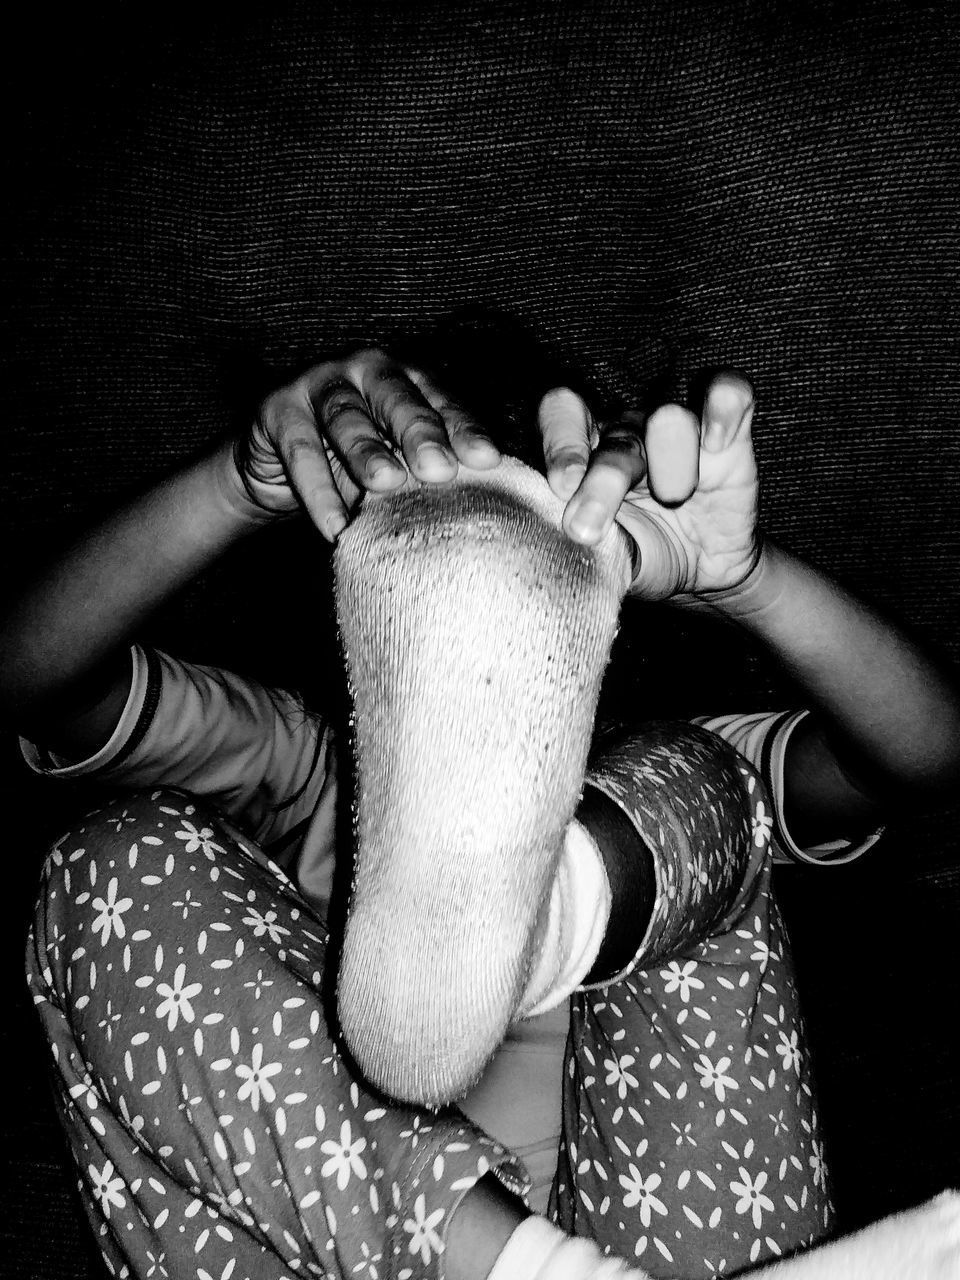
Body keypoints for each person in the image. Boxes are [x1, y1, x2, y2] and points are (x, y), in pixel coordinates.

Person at [5, 348, 960, 1280]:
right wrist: (234, 486)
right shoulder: (311, 769)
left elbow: (925, 756)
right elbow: (35, 683)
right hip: (337, 1238)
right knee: (115, 865)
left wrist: (742, 580)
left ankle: (540, 933)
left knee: (700, 781)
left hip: (665, 1216)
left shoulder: (633, 786)